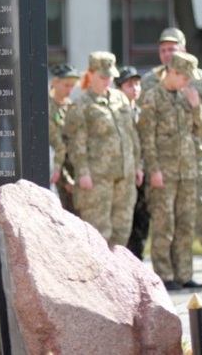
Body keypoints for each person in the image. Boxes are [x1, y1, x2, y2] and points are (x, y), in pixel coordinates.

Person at [140, 27, 202, 263]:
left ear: (183, 49)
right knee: (165, 217)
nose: (167, 53)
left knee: (197, 210)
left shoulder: (200, 78)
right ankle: (167, 269)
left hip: (195, 155)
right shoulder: (151, 82)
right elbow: (146, 126)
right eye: (163, 50)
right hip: (165, 158)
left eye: (172, 48)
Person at [63, 51, 141, 247]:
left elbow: (132, 135)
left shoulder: (120, 99)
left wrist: (138, 165)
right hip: (97, 179)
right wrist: (82, 172)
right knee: (99, 233)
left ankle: (118, 275)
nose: (108, 80)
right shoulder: (81, 105)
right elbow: (76, 143)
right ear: (91, 74)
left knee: (122, 230)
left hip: (125, 175)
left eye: (110, 76)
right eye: (103, 76)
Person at [115, 66, 148, 260]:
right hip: (125, 172)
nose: (135, 88)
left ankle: (139, 257)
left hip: (142, 171)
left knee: (142, 219)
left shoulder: (141, 111)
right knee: (125, 219)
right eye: (129, 85)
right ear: (119, 88)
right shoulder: (116, 113)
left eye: (137, 84)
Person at [47, 63, 81, 214]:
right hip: (53, 172)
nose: (70, 90)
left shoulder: (70, 107)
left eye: (73, 86)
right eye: (66, 85)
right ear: (54, 82)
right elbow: (56, 144)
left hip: (71, 171)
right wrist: (64, 178)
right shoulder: (45, 107)